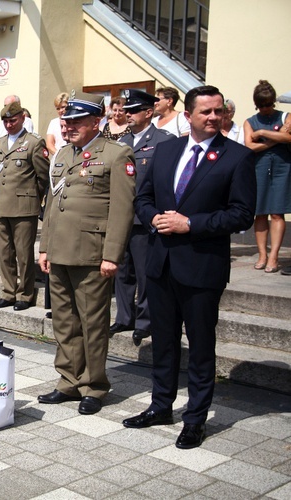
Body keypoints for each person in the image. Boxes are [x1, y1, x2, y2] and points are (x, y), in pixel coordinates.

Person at [124, 85, 256, 449]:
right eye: (206, 112)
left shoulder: (237, 157)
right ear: (189, 116)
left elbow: (242, 213)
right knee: (163, 343)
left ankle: (195, 419)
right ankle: (160, 406)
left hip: (201, 268)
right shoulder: (166, 152)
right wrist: (155, 220)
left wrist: (191, 224)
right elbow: (144, 197)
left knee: (199, 347)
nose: (214, 117)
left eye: (219, 112)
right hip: (162, 263)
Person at [37, 90, 136, 415]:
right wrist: (45, 246)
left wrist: (112, 255)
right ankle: (68, 381)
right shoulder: (64, 154)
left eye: (77, 121)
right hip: (60, 251)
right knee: (64, 322)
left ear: (97, 121)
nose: (68, 127)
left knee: (93, 323)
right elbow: (53, 203)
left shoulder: (116, 154)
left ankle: (93, 386)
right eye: (67, 121)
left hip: (93, 254)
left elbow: (122, 211)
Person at [110, 90, 174, 345]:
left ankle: (145, 321)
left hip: (144, 218)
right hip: (120, 216)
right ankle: (125, 317)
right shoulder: (120, 141)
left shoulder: (163, 141)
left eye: (133, 110)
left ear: (149, 112)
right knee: (122, 270)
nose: (127, 114)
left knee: (145, 273)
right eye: (126, 110)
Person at [0, 101, 50, 311]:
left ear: (23, 118)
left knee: (24, 254)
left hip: (24, 207)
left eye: (13, 120)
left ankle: (24, 294)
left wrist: (34, 198)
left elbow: (43, 176)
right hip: (2, 206)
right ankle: (8, 292)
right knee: (5, 253)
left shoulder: (34, 142)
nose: (9, 125)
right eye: (6, 121)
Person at [243, 80, 291, 274]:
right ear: (256, 104)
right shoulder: (249, 121)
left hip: (282, 167)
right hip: (259, 168)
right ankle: (263, 254)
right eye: (262, 105)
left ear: (273, 102)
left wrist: (263, 133)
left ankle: (274, 256)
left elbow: (289, 138)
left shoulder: (286, 116)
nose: (265, 109)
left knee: (278, 212)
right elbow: (250, 146)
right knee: (260, 211)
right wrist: (274, 140)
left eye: (269, 104)